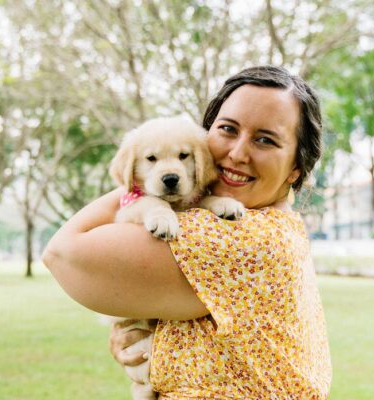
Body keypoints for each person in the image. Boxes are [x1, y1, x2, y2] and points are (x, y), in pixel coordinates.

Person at [43, 65, 331, 398]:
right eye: (226, 129)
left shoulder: (242, 238)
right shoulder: (280, 228)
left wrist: (143, 183)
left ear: (297, 167)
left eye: (265, 140)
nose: (237, 153)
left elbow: (62, 253)